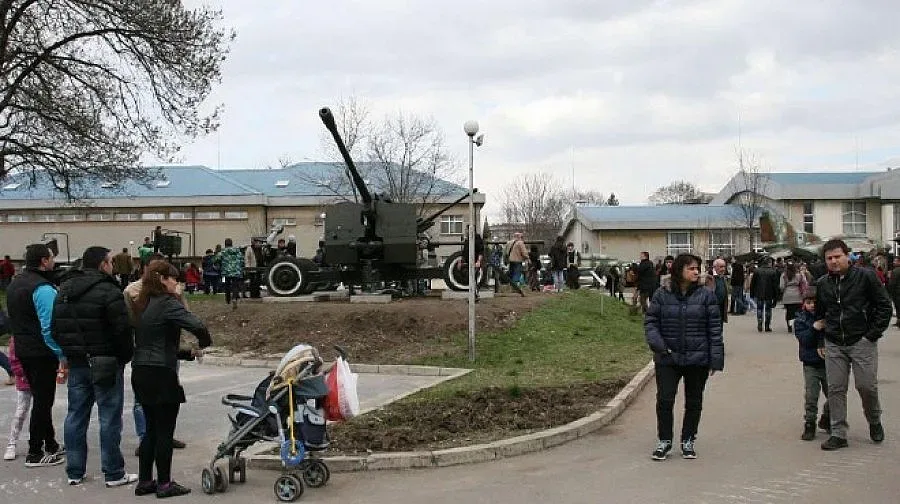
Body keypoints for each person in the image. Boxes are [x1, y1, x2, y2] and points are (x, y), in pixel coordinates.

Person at [53, 246, 137, 487]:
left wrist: (69, 352)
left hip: (78, 361)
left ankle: (75, 471)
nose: (112, 265)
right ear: (102, 264)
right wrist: (123, 357)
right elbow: (122, 329)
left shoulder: (64, 291)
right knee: (109, 418)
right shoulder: (109, 290)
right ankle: (113, 472)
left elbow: (55, 327)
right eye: (110, 261)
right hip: (107, 361)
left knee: (76, 415)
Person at [131, 260, 211, 498]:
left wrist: (186, 353)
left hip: (141, 371)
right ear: (162, 279)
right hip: (161, 374)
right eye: (174, 278)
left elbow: (155, 342)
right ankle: (165, 484)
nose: (177, 283)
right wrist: (205, 342)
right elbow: (197, 324)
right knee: (164, 431)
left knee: (151, 431)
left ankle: (145, 481)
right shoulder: (167, 303)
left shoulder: (142, 304)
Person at [644, 253, 723, 460]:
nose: (696, 272)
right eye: (691, 268)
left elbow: (715, 329)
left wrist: (715, 358)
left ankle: (688, 440)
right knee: (664, 400)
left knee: (694, 401)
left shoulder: (706, 296)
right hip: (668, 358)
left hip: (697, 358)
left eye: (697, 268)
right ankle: (664, 440)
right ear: (679, 270)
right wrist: (660, 346)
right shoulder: (662, 294)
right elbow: (651, 322)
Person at [815, 239, 891, 451]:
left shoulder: (866, 276)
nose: (834, 261)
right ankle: (838, 432)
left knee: (866, 386)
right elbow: (821, 315)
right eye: (829, 258)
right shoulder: (822, 283)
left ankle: (874, 420)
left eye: (837, 257)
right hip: (834, 343)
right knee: (835, 388)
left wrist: (872, 335)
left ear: (847, 256)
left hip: (861, 341)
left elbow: (884, 305)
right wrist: (822, 339)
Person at [5, 243, 66, 467]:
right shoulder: (42, 288)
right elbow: (49, 327)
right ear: (43, 261)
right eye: (51, 258)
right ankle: (35, 452)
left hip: (22, 348)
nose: (53, 261)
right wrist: (60, 354)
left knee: (41, 399)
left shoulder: (15, 284)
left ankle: (49, 443)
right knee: (43, 402)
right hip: (41, 352)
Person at [793, 289, 830, 441]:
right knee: (811, 395)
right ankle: (810, 423)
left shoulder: (827, 317)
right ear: (804, 304)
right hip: (811, 363)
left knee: (834, 394)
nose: (812, 305)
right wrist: (814, 328)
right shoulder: (800, 320)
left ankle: (828, 417)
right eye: (809, 303)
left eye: (815, 302)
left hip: (829, 363)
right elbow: (804, 340)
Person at [4, 336, 32, 460]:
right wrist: (24, 374)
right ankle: (12, 443)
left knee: (43, 411)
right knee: (20, 413)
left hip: (40, 379)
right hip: (25, 380)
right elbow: (14, 362)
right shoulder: (16, 339)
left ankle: (46, 441)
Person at [749, 256, 779, 332]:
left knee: (759, 309)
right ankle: (767, 326)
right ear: (769, 263)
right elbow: (775, 285)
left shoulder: (757, 271)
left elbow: (753, 284)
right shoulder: (773, 271)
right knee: (768, 310)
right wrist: (776, 297)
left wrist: (752, 294)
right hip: (769, 293)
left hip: (759, 293)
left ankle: (759, 322)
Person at [779, 262, 807, 333]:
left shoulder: (784, 275)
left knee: (789, 312)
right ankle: (797, 325)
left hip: (787, 295)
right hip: (797, 295)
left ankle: (790, 326)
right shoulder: (799, 275)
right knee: (798, 312)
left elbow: (781, 286)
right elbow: (805, 283)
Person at [219, 238, 244, 309]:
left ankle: (227, 300)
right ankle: (234, 298)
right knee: (235, 285)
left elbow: (216, 259)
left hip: (225, 272)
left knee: (227, 285)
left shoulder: (223, 251)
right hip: (236, 271)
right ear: (232, 243)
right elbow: (242, 260)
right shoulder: (238, 251)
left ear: (225, 244)